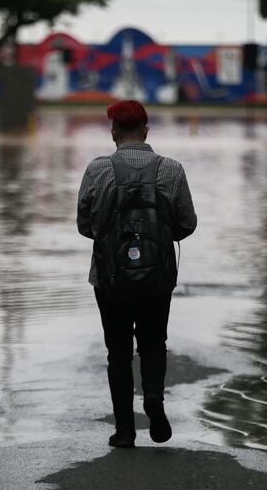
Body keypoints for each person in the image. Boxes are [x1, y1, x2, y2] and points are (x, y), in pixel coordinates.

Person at [77, 100, 197, 448]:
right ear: (146, 129)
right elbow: (187, 224)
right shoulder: (172, 170)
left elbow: (85, 225)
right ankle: (154, 398)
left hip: (109, 278)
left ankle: (125, 431)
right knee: (153, 343)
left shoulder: (97, 170)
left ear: (113, 132)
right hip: (157, 277)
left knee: (118, 352)